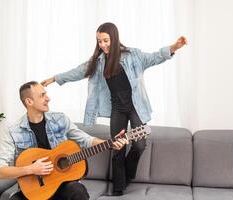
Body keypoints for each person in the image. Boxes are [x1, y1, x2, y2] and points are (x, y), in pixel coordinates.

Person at [41, 22, 187, 196]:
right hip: (117, 109)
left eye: (105, 40)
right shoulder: (99, 61)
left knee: (139, 145)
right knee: (117, 148)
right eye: (99, 41)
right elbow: (78, 71)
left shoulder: (133, 55)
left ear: (114, 38)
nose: (102, 45)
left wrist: (174, 47)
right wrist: (53, 79)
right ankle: (118, 190)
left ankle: (127, 174)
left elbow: (154, 57)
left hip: (135, 107)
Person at [0, 81, 128, 200]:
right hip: (34, 192)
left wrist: (111, 143)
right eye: (42, 95)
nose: (48, 98)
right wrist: (31, 169)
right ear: (29, 102)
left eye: (46, 94)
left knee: (77, 190)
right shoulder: (13, 131)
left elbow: (86, 140)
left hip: (63, 187)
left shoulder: (60, 120)